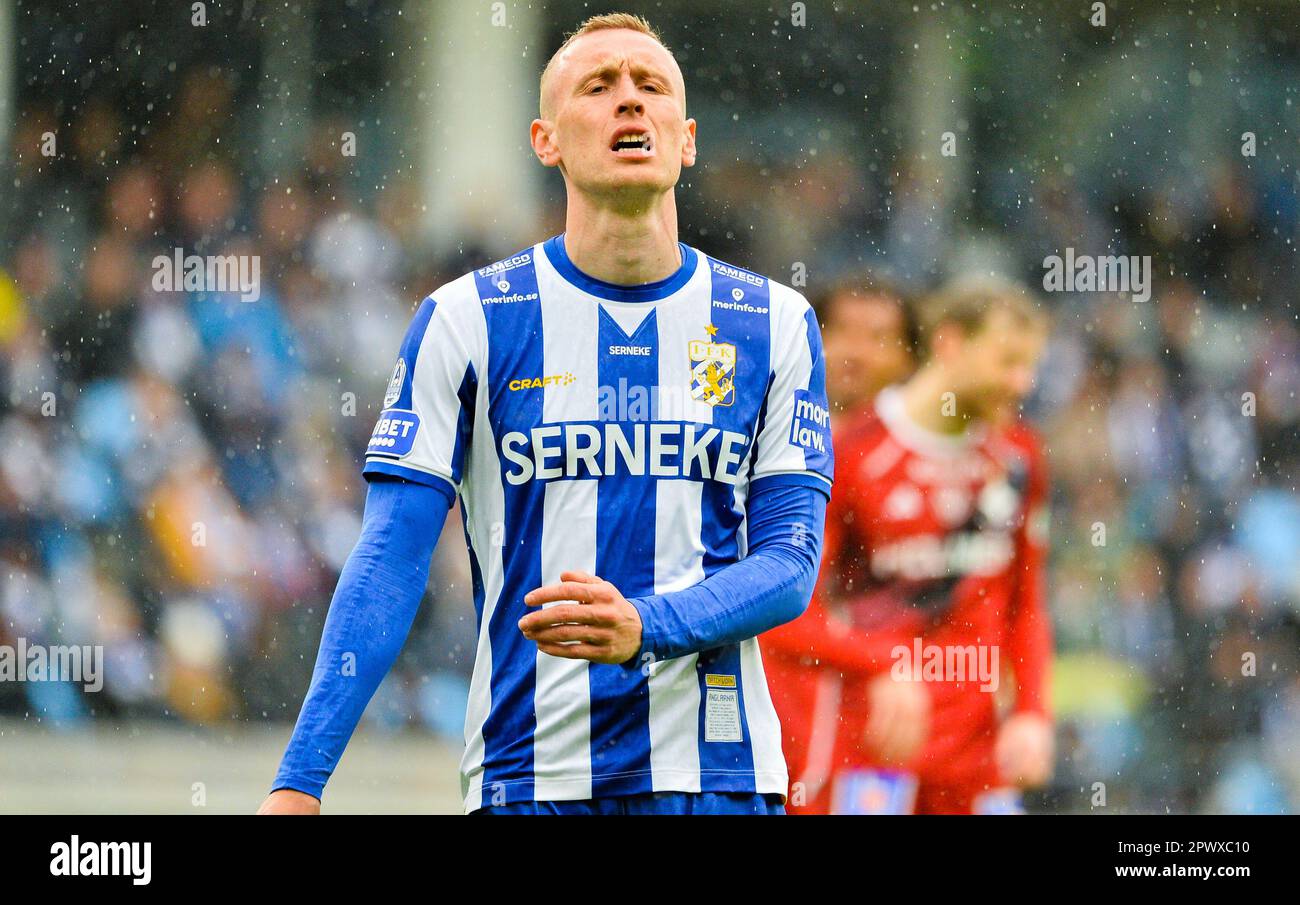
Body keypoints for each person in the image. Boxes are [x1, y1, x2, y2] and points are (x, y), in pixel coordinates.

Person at [258, 12, 833, 816]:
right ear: (546, 139)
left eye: (651, 86)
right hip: (529, 778)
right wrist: (300, 779)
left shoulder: (771, 322)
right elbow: (390, 555)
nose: (629, 102)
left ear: (687, 137)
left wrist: (647, 625)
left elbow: (789, 564)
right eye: (598, 87)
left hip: (716, 780)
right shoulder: (466, 319)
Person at [764, 276, 1054, 814]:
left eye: (1030, 366)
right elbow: (783, 613)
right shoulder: (850, 454)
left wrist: (1034, 712)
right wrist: (879, 664)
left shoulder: (1018, 457)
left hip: (979, 763)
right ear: (948, 344)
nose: (1022, 383)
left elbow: (1026, 602)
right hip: (873, 753)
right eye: (1008, 362)